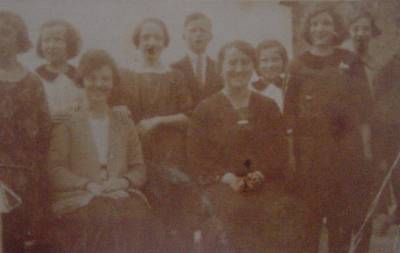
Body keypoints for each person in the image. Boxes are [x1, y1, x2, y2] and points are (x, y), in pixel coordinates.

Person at [187, 40, 308, 253]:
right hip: (222, 184)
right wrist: (228, 178)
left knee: (285, 212)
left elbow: (278, 151)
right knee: (235, 212)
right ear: (221, 68)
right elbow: (197, 157)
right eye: (232, 63)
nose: (239, 69)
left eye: (245, 63)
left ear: (253, 67)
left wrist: (255, 176)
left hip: (264, 181)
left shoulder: (267, 106)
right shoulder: (205, 110)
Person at [47, 49, 163, 253]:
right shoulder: (67, 121)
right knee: (103, 215)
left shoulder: (124, 121)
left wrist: (123, 181)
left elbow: (138, 167)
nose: (99, 84)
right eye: (92, 78)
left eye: (105, 79)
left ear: (113, 82)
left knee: (139, 216)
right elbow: (56, 170)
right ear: (82, 80)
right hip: (78, 197)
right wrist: (88, 185)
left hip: (119, 193)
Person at [284, 5, 373, 253]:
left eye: (325, 23)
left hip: (345, 148)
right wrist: (293, 153)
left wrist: (365, 151)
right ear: (308, 29)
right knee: (310, 214)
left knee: (341, 215)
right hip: (310, 151)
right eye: (315, 24)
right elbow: (289, 112)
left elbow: (364, 108)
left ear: (336, 28)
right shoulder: (297, 64)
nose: (320, 29)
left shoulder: (350, 61)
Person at [113, 18, 196, 252]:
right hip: (136, 154)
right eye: (145, 38)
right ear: (137, 42)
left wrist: (158, 121)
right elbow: (111, 111)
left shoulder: (174, 76)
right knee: (141, 215)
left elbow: (190, 116)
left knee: (174, 214)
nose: (151, 42)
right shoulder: (124, 75)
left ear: (165, 42)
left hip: (171, 154)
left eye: (157, 37)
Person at [0, 10, 52, 253]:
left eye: (5, 33)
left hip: (26, 177)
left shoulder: (32, 82)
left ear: (18, 37)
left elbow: (44, 132)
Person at [35, 20, 84, 123]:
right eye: (46, 40)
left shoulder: (81, 76)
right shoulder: (34, 77)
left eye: (58, 40)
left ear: (70, 43)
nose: (51, 46)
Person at [171, 12, 222, 110]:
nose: (198, 34)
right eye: (192, 30)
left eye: (203, 30)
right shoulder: (174, 68)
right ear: (184, 35)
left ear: (210, 36)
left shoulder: (219, 68)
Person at [252, 40, 289, 113]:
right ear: (257, 64)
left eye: (275, 59)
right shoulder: (252, 90)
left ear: (284, 61)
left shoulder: (289, 87)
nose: (270, 65)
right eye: (264, 60)